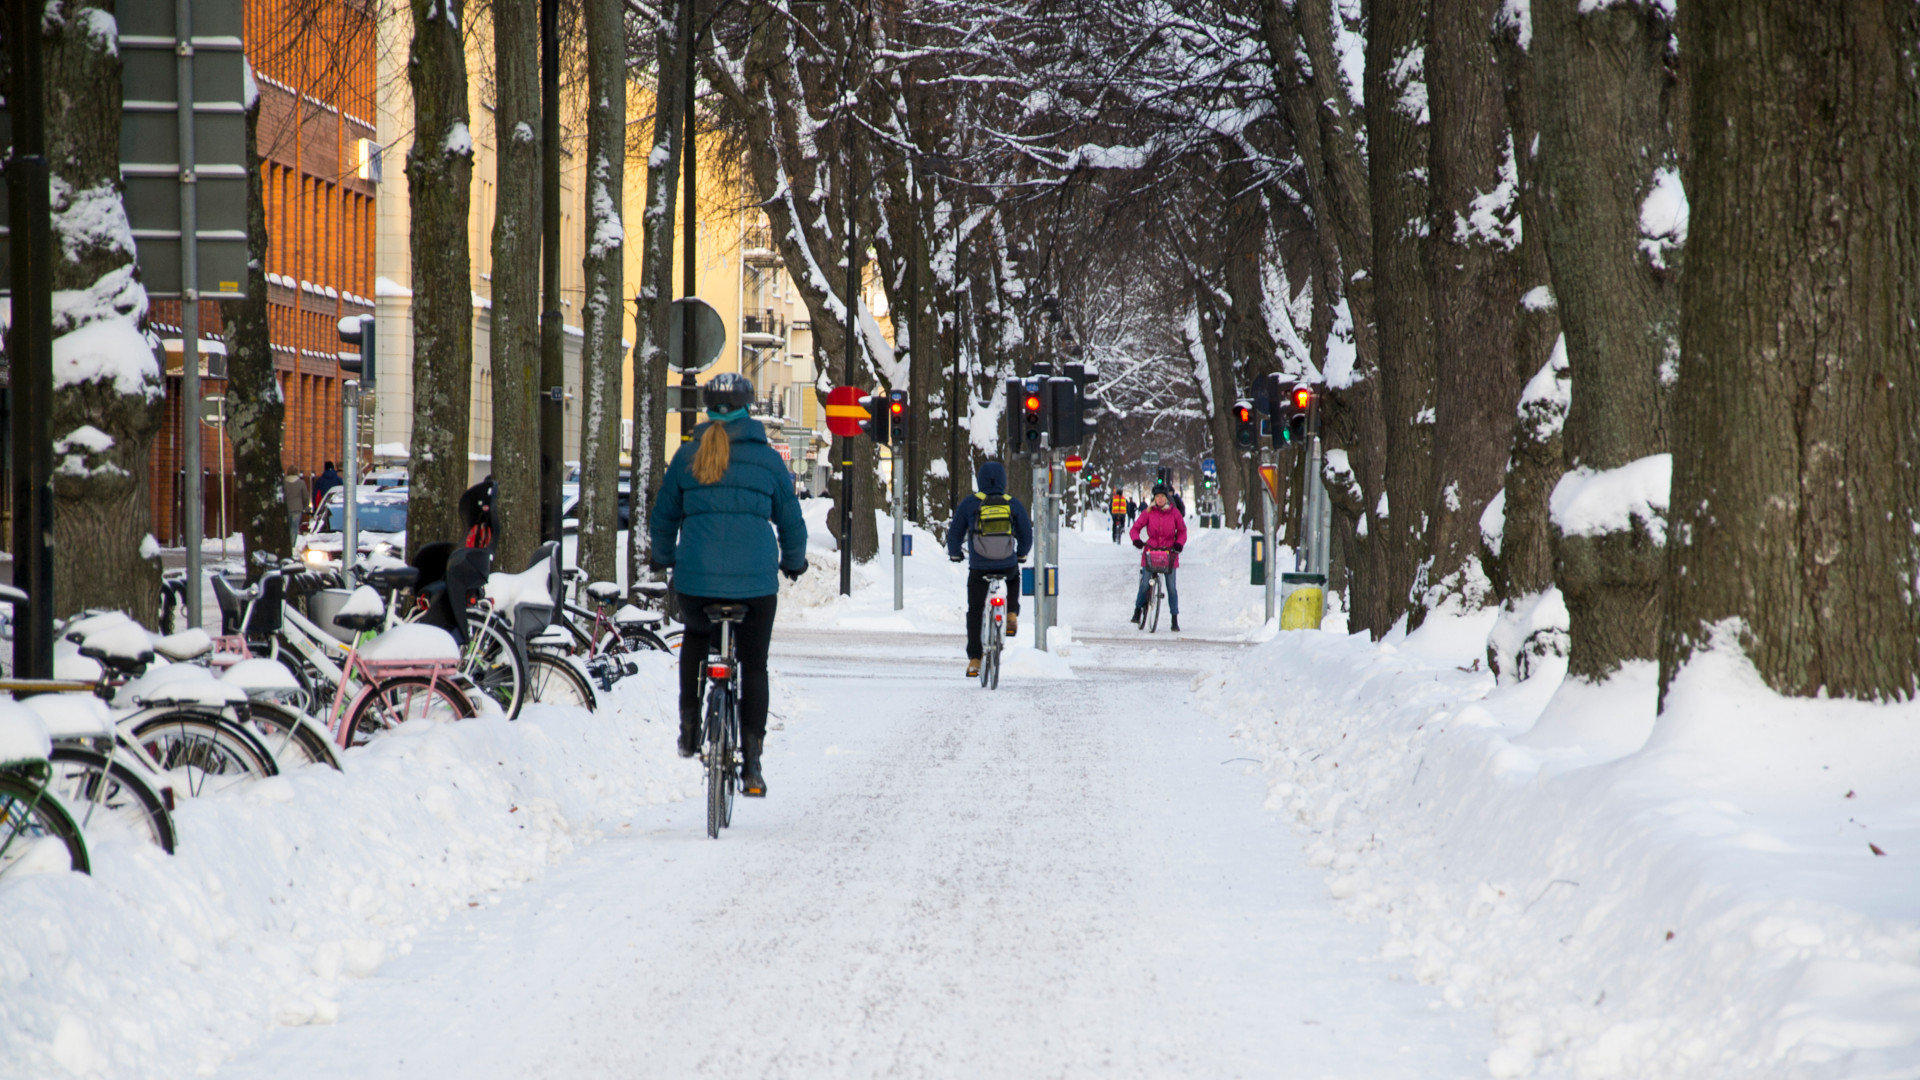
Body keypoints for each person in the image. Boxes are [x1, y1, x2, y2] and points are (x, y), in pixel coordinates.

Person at [649, 372, 808, 797]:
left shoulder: (687, 456)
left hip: (696, 580)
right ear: (748, 406)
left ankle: (689, 727)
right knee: (753, 665)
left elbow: (663, 516)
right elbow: (791, 520)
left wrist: (663, 558)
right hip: (755, 584)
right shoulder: (769, 460)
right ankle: (752, 764)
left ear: (706, 407)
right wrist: (794, 561)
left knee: (697, 639)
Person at [947, 461, 1034, 678]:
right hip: (1007, 564)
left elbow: (955, 533)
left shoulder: (970, 503)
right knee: (1014, 577)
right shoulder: (1012, 503)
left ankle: (975, 659)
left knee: (975, 610)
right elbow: (1026, 534)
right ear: (1003, 481)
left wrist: (955, 553)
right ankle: (1012, 613)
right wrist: (1021, 554)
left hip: (978, 567)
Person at [1130, 482, 1189, 632]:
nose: (1160, 499)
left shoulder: (1174, 513)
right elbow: (1135, 528)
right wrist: (1136, 540)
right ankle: (1138, 610)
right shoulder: (1149, 512)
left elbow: (1182, 531)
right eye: (1157, 497)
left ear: (1167, 498)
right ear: (1154, 498)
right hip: (1151, 551)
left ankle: (1174, 618)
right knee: (1145, 584)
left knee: (1171, 588)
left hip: (1169, 553)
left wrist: (1179, 544)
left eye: (1163, 496)